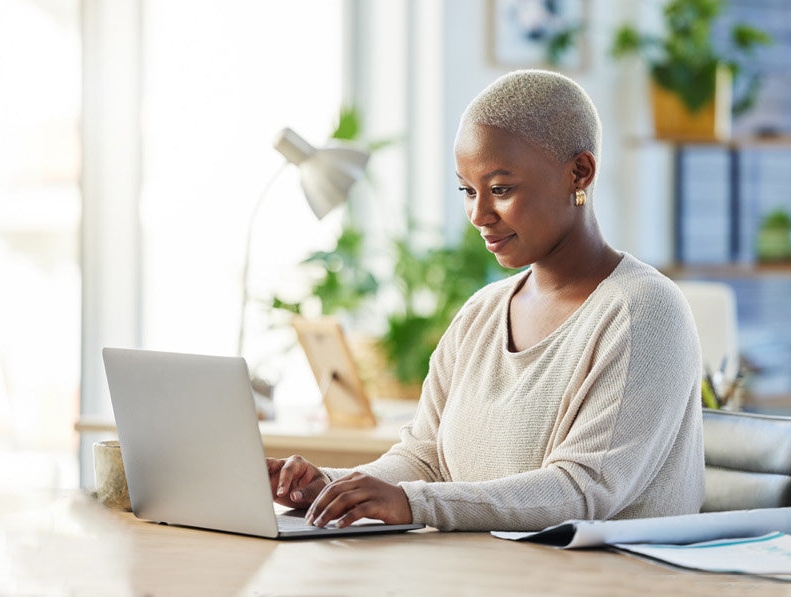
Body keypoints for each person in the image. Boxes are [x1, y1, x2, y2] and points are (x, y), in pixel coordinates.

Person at [269, 69, 705, 532]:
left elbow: (584, 489)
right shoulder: (482, 313)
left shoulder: (643, 311)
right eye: (467, 190)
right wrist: (330, 490)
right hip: (491, 575)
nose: (478, 215)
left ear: (580, 172)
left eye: (500, 189)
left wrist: (413, 503)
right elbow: (426, 459)